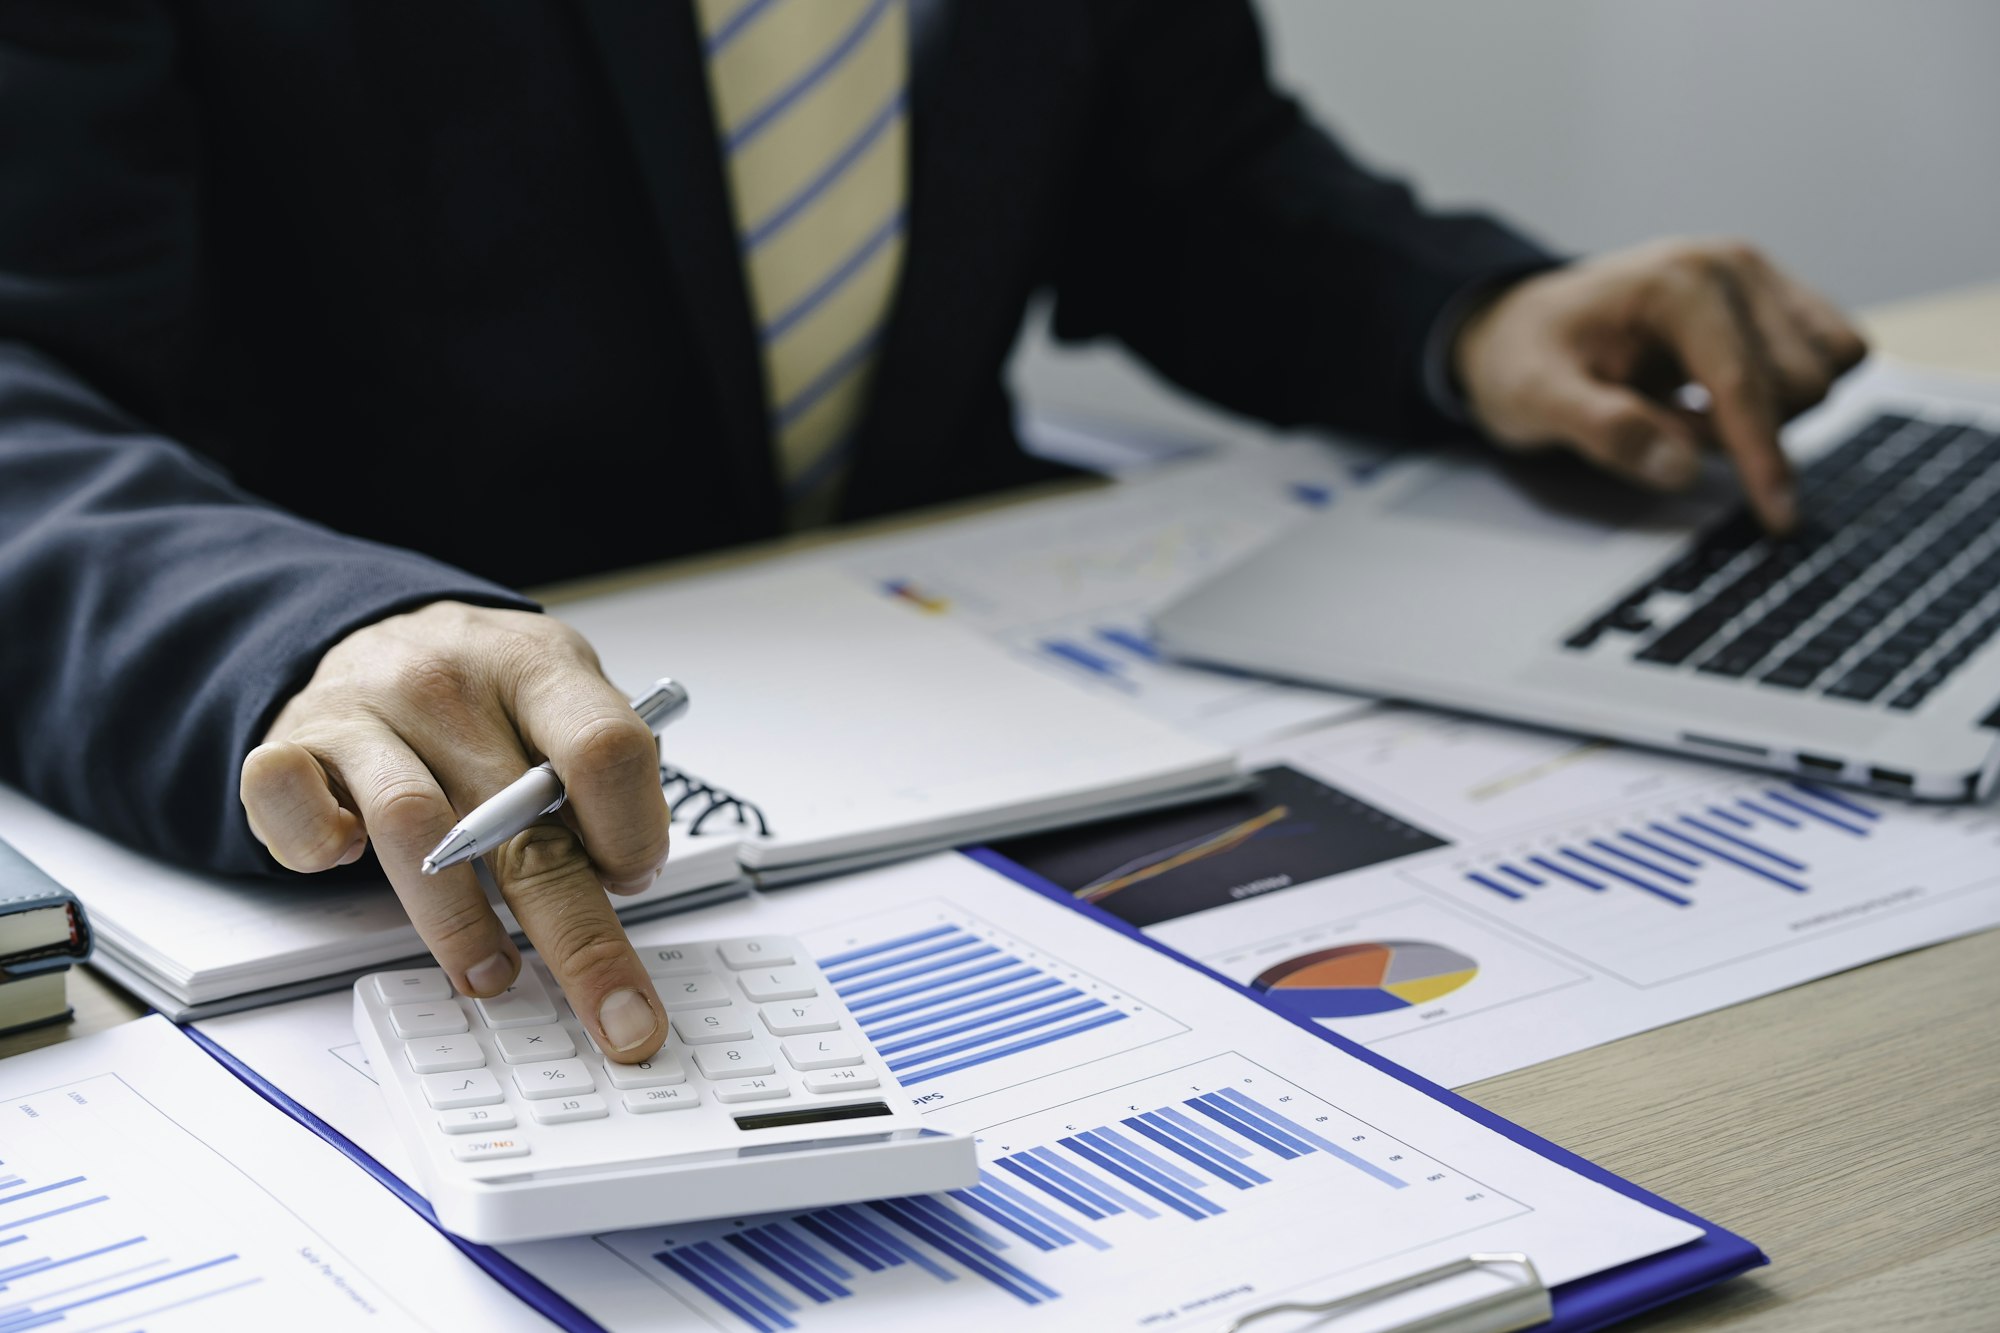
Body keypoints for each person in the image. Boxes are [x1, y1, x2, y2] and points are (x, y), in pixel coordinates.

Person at [0, 0, 1864, 1063]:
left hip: (980, 738)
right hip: (420, 852)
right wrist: (306, 636)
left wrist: (1459, 317)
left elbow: (1184, 175)